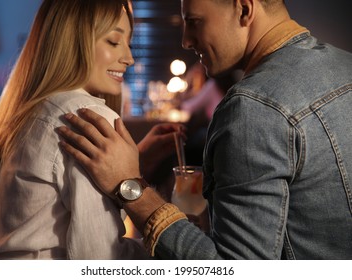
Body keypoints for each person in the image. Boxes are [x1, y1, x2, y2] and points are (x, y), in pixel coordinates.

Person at [58, 0, 352, 259]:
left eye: (194, 22)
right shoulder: (345, 66)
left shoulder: (254, 108)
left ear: (245, 9)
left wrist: (129, 186)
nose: (186, 40)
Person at [0, 0, 184, 260]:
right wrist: (176, 252)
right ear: (72, 42)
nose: (129, 58)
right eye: (114, 42)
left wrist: (135, 162)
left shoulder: (27, 109)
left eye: (129, 43)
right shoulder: (87, 117)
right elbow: (98, 260)